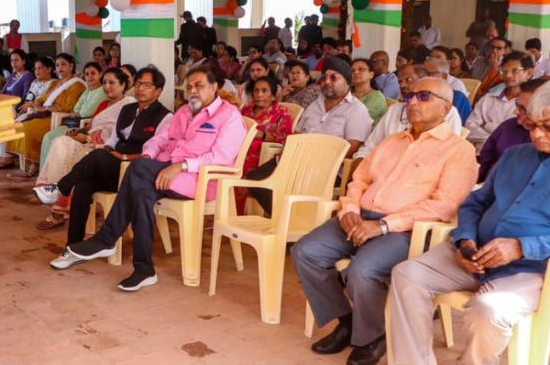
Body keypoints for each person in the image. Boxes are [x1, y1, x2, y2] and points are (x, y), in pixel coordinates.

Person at [389, 79, 550, 365]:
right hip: (477, 257)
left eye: (547, 126)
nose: (536, 134)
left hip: (539, 271)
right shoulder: (514, 156)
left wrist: (523, 247)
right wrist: (466, 241)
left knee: (490, 308)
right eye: (531, 124)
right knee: (407, 275)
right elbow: (476, 202)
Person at [294, 77, 478, 365]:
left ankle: (373, 336)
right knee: (306, 251)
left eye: (424, 97)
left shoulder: (458, 151)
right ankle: (348, 321)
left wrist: (383, 225)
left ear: (446, 109)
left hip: (406, 230)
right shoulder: (393, 140)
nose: (412, 102)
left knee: (362, 271)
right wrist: (350, 210)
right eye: (410, 96)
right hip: (361, 217)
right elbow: (360, 179)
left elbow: (443, 206)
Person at [49, 67, 246, 291]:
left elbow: (221, 157)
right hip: (168, 173)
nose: (192, 91)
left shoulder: (229, 116)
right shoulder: (184, 112)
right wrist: (150, 157)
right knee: (141, 191)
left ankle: (106, 239)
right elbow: (161, 140)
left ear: (214, 87)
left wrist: (179, 166)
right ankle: (144, 270)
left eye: (199, 86)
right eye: (189, 86)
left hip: (202, 180)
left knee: (138, 169)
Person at [38, 67, 170, 264]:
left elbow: (156, 153)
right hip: (114, 167)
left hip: (135, 171)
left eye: (147, 85)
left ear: (158, 91)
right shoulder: (126, 110)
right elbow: (114, 139)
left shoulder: (165, 117)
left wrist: (123, 156)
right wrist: (109, 150)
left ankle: (59, 188)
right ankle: (73, 248)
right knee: (83, 186)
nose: (141, 89)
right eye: (139, 84)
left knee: (98, 155)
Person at [246, 58, 372, 216]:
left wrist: (313, 158)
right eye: (324, 77)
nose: (327, 81)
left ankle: (291, 225)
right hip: (296, 160)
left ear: (347, 82)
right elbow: (297, 134)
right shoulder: (315, 105)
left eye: (333, 77)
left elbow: (352, 147)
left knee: (285, 186)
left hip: (326, 168)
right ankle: (290, 222)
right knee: (255, 179)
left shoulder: (356, 110)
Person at [33, 67, 134, 228]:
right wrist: (80, 132)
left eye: (112, 83)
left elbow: (120, 135)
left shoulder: (129, 104)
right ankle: (57, 200)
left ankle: (57, 207)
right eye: (105, 82)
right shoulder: (103, 104)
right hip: (87, 143)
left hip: (104, 151)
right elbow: (92, 124)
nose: (107, 86)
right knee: (60, 142)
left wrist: (87, 138)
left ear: (123, 85)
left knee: (63, 147)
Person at [354, 67, 463, 160]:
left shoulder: (447, 112)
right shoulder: (394, 110)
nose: (403, 85)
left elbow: (447, 155)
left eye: (409, 79)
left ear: (423, 80)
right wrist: (360, 165)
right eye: (400, 81)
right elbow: (369, 148)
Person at [7, 54, 86, 176]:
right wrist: (37, 104)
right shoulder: (56, 83)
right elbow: (42, 97)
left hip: (58, 118)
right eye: (57, 65)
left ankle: (36, 162)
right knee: (19, 125)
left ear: (71, 66)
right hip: (45, 114)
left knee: (28, 129)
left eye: (63, 64)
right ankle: (32, 160)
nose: (60, 67)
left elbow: (70, 106)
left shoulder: (77, 84)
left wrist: (49, 107)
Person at [36, 62, 107, 171]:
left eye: (93, 73)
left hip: (84, 125)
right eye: (87, 74)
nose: (90, 77)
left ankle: (56, 172)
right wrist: (77, 112)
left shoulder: (101, 91)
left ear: (100, 74)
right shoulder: (88, 91)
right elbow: (76, 108)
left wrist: (78, 113)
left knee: (57, 139)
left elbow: (87, 112)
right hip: (73, 122)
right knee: (48, 137)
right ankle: (45, 172)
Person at [236, 76, 292, 211]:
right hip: (240, 148)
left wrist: (262, 135)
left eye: (264, 91)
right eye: (256, 91)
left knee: (245, 158)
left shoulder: (281, 112)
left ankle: (241, 211)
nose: (259, 94)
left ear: (273, 96)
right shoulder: (246, 110)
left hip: (262, 153)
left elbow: (285, 138)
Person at [477, 78, 544, 182]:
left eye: (522, 108)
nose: (515, 111)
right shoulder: (508, 127)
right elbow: (485, 160)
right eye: (517, 105)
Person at [466, 52, 534, 150]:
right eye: (505, 71)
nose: (509, 75)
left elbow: (523, 134)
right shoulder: (489, 98)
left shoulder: (531, 102)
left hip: (513, 155)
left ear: (528, 73)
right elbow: (469, 126)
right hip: (482, 152)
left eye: (515, 71)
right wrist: (491, 139)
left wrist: (487, 126)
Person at [0, 50, 37, 168]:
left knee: (6, 120)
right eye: (12, 60)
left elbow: (26, 96)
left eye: (17, 60)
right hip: (8, 107)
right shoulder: (12, 76)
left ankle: (6, 157)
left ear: (24, 61)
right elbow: (2, 93)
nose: (14, 63)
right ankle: (4, 155)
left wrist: (13, 107)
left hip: (18, 109)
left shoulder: (28, 75)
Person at [423, 55, 473, 122]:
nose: (425, 77)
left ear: (444, 75)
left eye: (430, 73)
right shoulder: (419, 94)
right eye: (423, 73)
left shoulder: (457, 97)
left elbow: (461, 126)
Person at [350, 58, 388, 124]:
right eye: (352, 71)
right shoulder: (347, 95)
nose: (355, 72)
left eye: (361, 69)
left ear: (371, 75)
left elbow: (358, 119)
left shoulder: (376, 97)